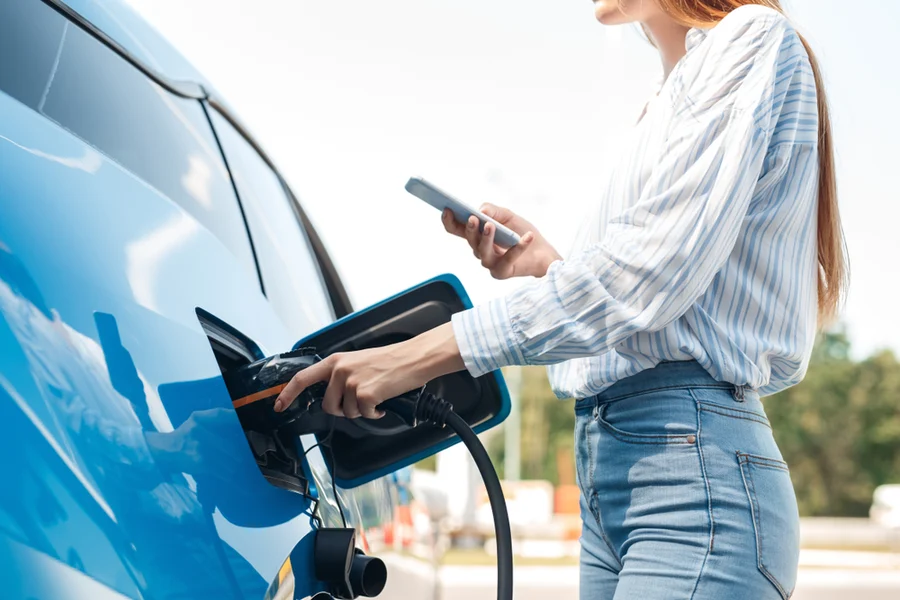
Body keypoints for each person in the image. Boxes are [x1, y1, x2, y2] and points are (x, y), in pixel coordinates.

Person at [275, 0, 848, 597]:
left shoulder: (751, 39)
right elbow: (656, 291)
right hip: (615, 468)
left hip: (691, 479)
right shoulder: (662, 103)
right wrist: (548, 267)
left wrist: (413, 357)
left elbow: (645, 276)